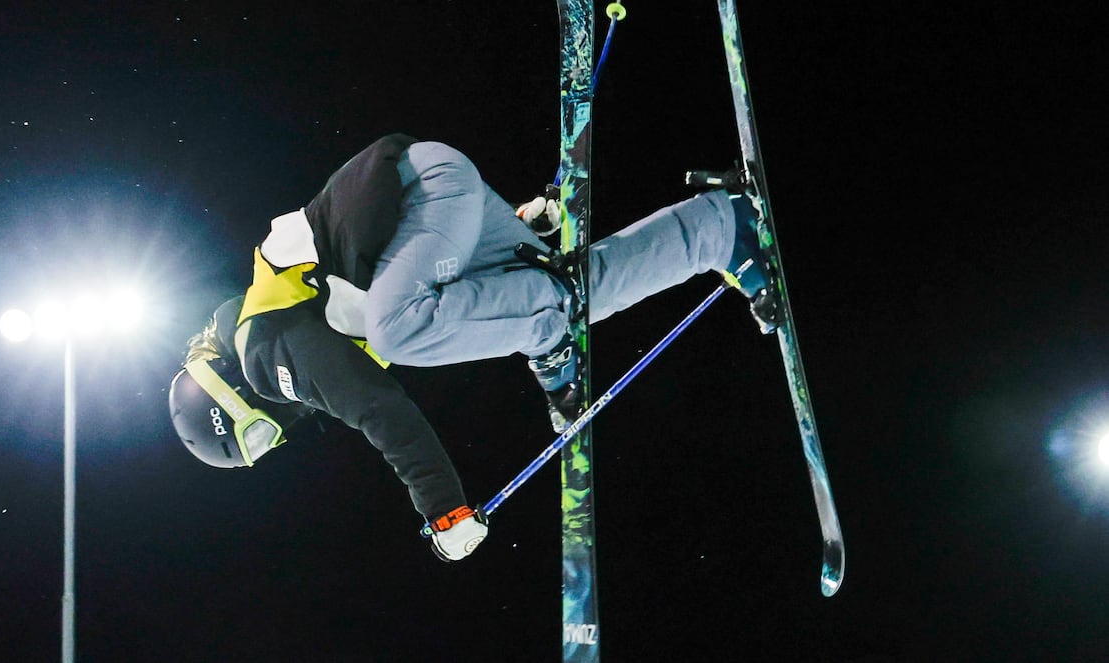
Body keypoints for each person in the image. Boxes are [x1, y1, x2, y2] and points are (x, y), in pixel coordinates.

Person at [168, 134, 773, 561]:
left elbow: (380, 410)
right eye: (262, 447)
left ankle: (547, 336)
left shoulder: (265, 353)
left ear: (230, 390)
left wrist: (444, 511)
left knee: (399, 330)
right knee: (582, 295)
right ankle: (722, 230)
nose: (277, 433)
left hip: (424, 191)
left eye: (256, 433)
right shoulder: (273, 316)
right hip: (434, 213)